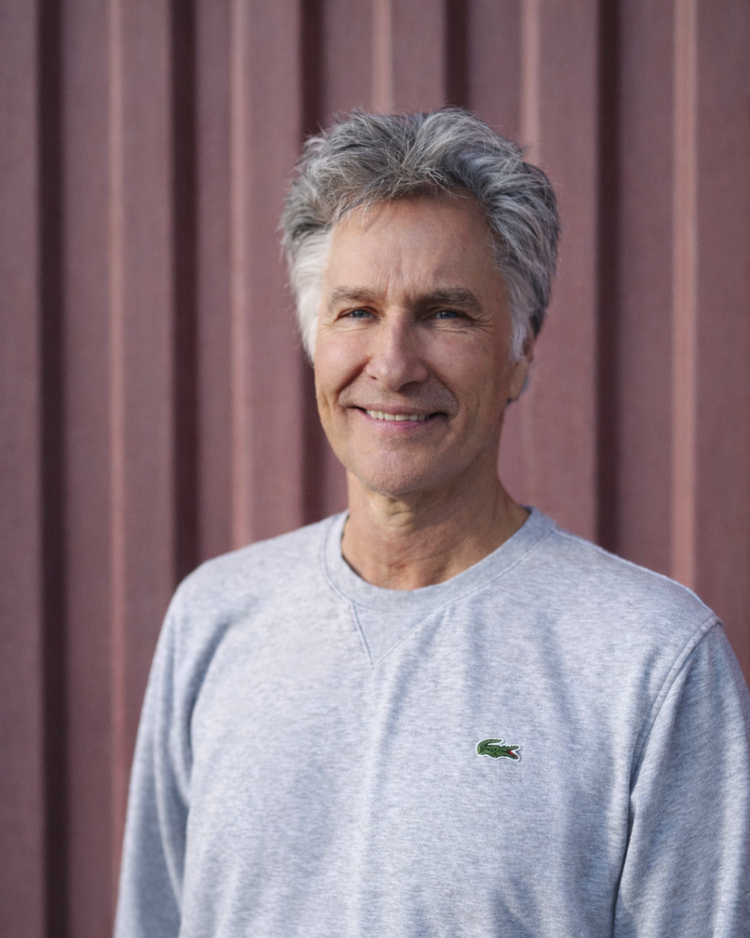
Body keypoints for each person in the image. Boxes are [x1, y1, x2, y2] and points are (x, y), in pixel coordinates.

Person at [114, 110, 750, 937]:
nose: (393, 365)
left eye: (446, 313)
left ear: (521, 352)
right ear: (314, 340)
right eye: (356, 311)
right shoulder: (215, 619)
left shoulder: (652, 661)